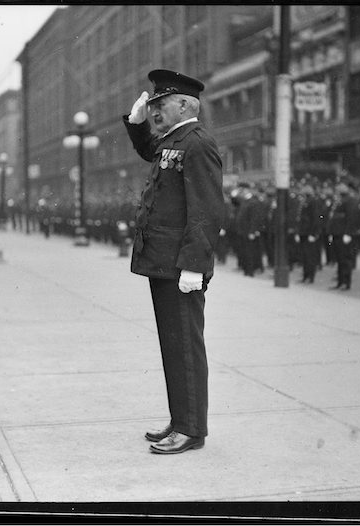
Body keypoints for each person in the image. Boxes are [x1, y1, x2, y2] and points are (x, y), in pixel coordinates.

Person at [123, 69, 225, 454]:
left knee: (185, 346)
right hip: (164, 263)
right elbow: (152, 150)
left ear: (184, 105)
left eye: (159, 104)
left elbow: (207, 209)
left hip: (182, 266)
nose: (153, 112)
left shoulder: (198, 144)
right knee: (173, 345)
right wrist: (135, 127)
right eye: (152, 106)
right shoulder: (175, 140)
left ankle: (191, 429)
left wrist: (195, 266)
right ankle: (181, 420)